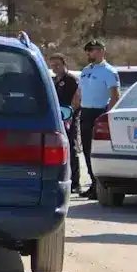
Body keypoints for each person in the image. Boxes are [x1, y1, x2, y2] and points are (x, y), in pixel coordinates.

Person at [77, 39, 120, 199]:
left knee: (98, 150)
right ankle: (93, 183)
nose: (89, 53)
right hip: (85, 113)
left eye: (92, 50)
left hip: (99, 113)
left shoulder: (109, 71)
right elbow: (79, 94)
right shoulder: (85, 70)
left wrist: (106, 116)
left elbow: (115, 96)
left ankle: (100, 185)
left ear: (101, 51)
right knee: (87, 150)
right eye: (87, 51)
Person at [48, 53, 82, 194]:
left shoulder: (71, 80)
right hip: (57, 119)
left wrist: (70, 115)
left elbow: (77, 99)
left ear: (64, 64)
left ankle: (76, 182)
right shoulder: (53, 80)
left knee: (71, 148)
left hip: (69, 118)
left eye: (58, 65)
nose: (55, 68)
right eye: (52, 65)